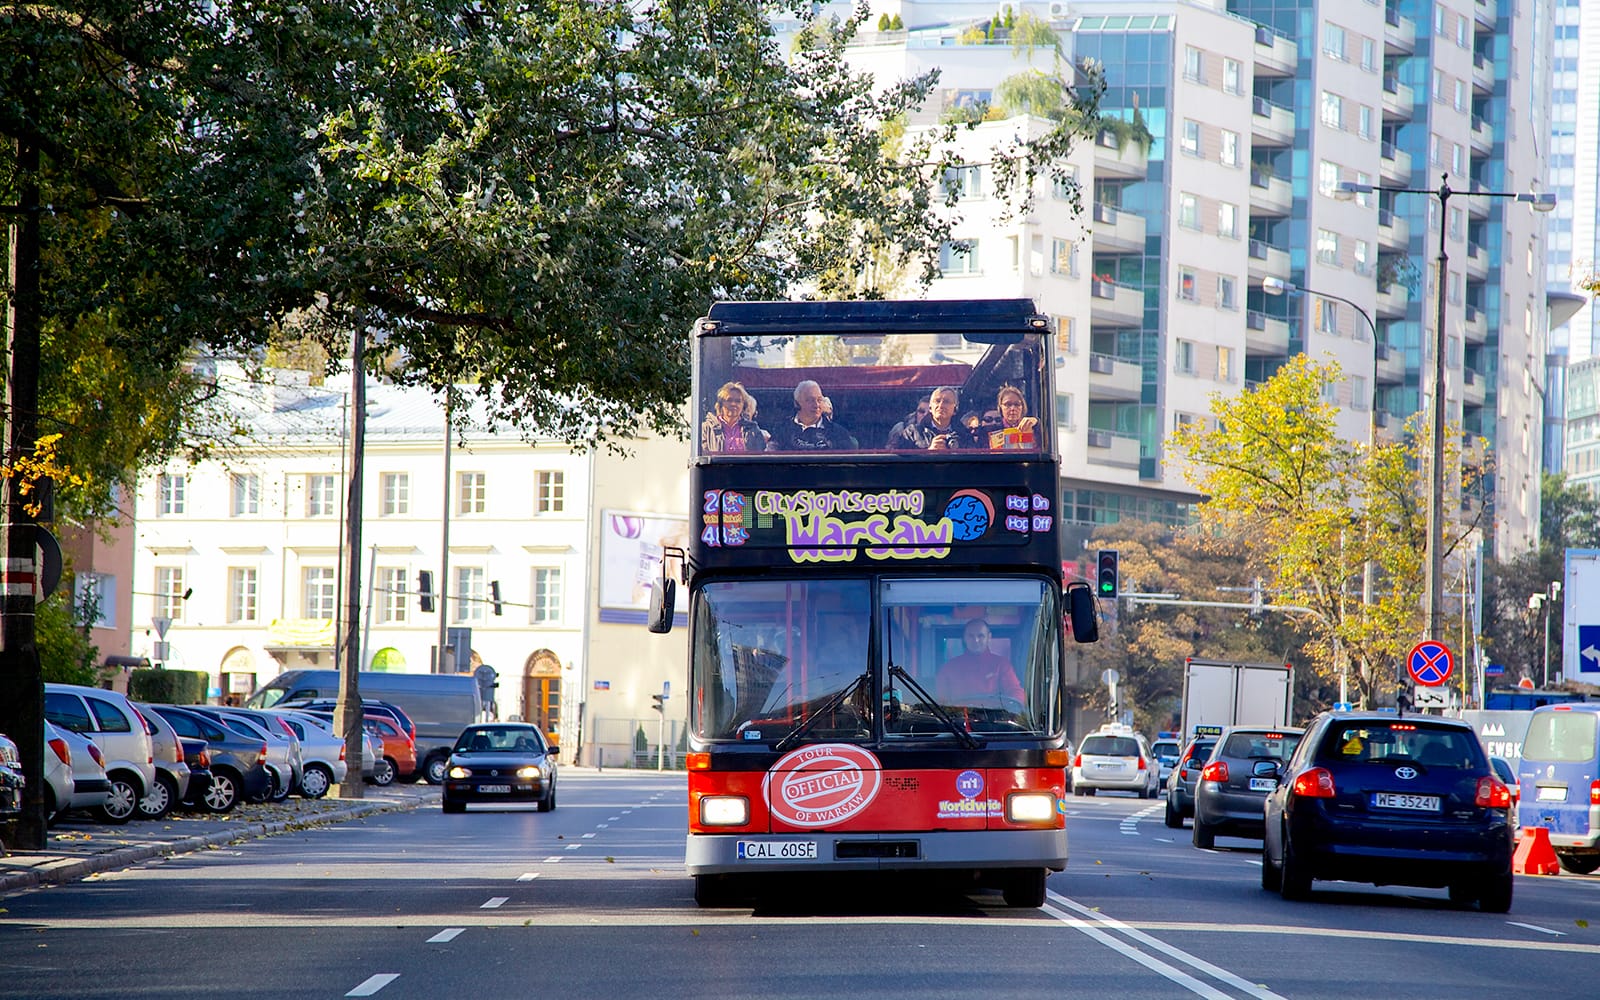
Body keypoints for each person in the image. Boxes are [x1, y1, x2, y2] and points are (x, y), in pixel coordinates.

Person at [934, 618, 1026, 711]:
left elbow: (1016, 693)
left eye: (980, 636)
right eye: (971, 636)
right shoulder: (949, 668)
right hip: (958, 722)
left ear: (989, 638)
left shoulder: (1001, 665)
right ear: (964, 638)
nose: (976, 640)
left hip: (993, 722)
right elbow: (941, 702)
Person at [768, 379, 859, 451]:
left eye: (819, 400)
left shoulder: (838, 433)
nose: (816, 405)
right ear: (797, 403)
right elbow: (770, 460)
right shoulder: (782, 430)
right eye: (810, 400)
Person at [891, 386, 978, 450]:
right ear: (930, 408)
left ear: (955, 410)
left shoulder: (965, 435)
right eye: (937, 401)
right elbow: (903, 464)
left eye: (946, 402)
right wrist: (929, 453)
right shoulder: (912, 432)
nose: (941, 406)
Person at [701, 381, 767, 453]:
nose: (733, 404)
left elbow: (758, 456)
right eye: (729, 400)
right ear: (721, 404)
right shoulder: (706, 429)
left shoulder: (752, 429)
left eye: (738, 401)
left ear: (743, 406)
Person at [985, 384, 1040, 450]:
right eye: (1008, 404)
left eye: (1017, 404)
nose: (1013, 408)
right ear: (1000, 406)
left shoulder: (1031, 427)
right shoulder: (991, 429)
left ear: (1022, 407)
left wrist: (1036, 422)